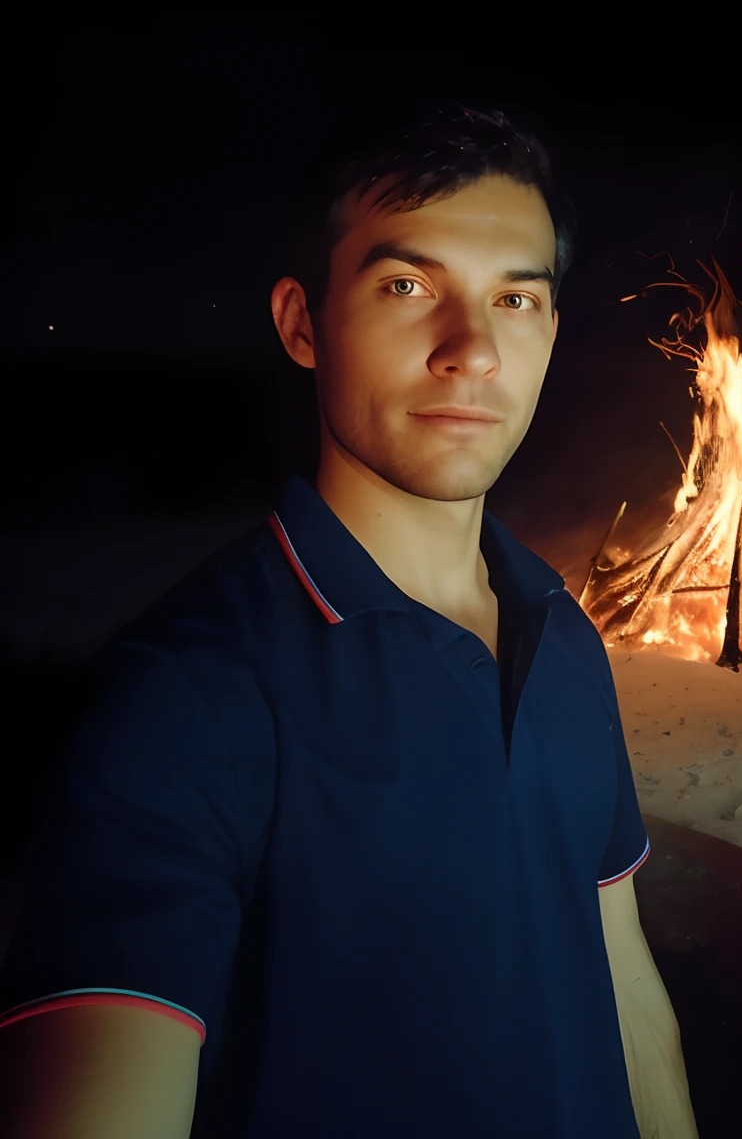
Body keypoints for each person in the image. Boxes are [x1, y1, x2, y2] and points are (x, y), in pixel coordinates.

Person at [0, 106, 699, 1138]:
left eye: (515, 298)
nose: (471, 350)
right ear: (300, 323)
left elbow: (622, 980)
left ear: (549, 332)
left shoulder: (565, 636)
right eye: (408, 287)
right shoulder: (185, 699)